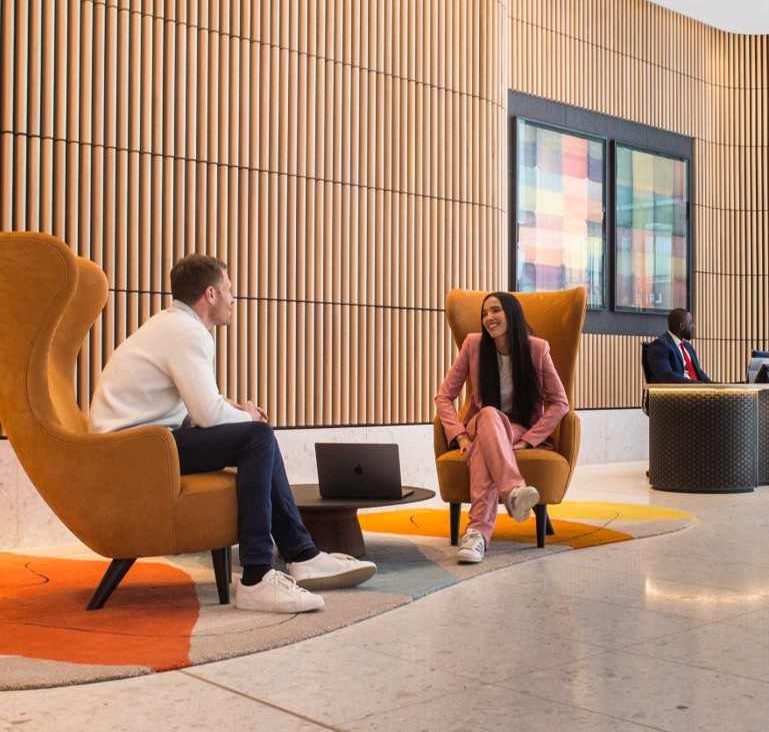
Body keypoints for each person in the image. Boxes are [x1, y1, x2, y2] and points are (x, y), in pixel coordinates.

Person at [89, 254, 377, 611]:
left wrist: (234, 409)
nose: (233, 298)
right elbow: (207, 415)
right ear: (210, 294)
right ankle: (257, 575)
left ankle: (303, 555)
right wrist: (248, 417)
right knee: (257, 435)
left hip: (138, 445)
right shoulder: (187, 332)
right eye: (228, 290)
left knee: (257, 435)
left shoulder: (171, 325)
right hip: (135, 452)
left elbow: (194, 402)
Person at [435, 291, 568, 564]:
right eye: (484, 313)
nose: (488, 318)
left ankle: (476, 535)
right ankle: (513, 492)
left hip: (517, 428)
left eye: (495, 310)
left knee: (484, 449)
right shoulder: (473, 345)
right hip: (480, 422)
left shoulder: (537, 349)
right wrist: (460, 435)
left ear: (512, 314)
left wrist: (529, 440)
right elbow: (443, 397)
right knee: (488, 414)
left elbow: (559, 402)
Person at [645, 308, 712, 383]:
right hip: (680, 390)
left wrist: (714, 385)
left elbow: (698, 372)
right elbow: (666, 376)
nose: (693, 326)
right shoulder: (660, 346)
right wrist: (695, 385)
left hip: (697, 388)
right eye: (691, 323)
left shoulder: (688, 347)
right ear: (682, 326)